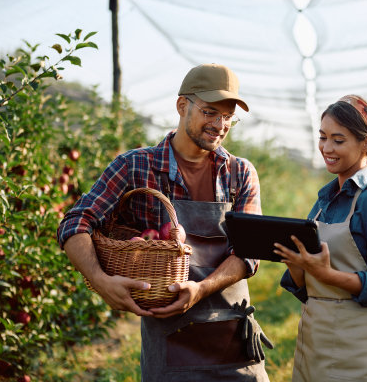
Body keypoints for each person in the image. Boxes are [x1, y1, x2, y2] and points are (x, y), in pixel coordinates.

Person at [57, 63, 272, 381]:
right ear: (182, 105)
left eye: (228, 116)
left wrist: (200, 289)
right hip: (170, 339)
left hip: (232, 336)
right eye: (210, 112)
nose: (220, 124)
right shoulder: (135, 166)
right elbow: (75, 223)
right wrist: (101, 282)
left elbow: (249, 252)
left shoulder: (239, 172)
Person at [275, 94, 367, 382]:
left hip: (360, 349)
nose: (326, 148)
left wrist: (327, 274)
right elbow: (308, 287)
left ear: (366, 143)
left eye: (338, 140)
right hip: (314, 341)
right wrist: (298, 266)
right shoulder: (326, 199)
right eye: (323, 137)